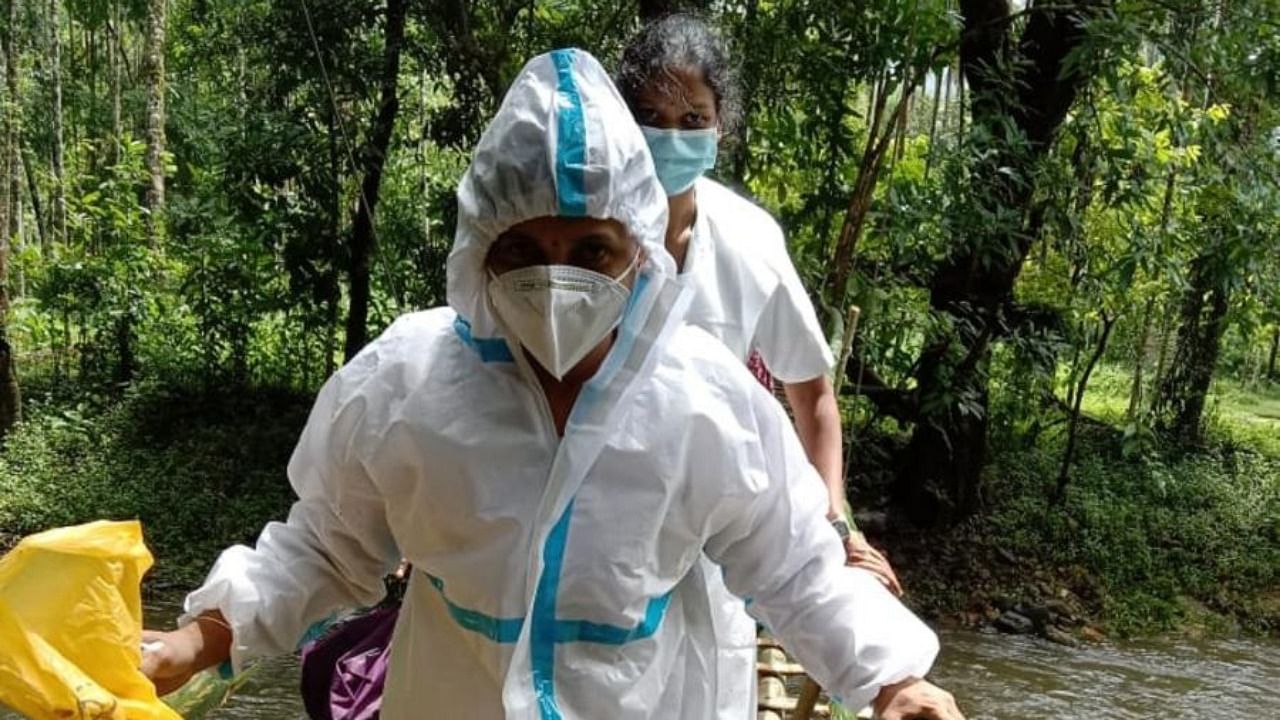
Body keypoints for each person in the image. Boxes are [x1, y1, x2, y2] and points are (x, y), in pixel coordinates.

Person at [140, 49, 963, 720]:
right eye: (523, 251)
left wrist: (896, 680)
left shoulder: (704, 404)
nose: (556, 280)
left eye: (591, 252)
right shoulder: (405, 388)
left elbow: (794, 569)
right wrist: (202, 638)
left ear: (639, 251)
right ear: (479, 253)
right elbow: (327, 544)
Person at [617, 16, 901, 718]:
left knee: (705, 693)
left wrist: (834, 527)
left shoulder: (748, 239)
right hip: (602, 527)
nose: (671, 136)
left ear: (721, 127)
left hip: (723, 542)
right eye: (649, 117)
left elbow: (813, 394)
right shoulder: (581, 233)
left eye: (692, 117)